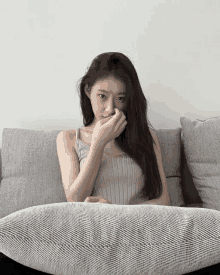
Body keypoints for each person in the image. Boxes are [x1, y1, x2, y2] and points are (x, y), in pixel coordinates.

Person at [56, 52, 163, 205]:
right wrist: (99, 142)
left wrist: (116, 213)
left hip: (138, 226)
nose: (111, 109)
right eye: (102, 96)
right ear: (88, 91)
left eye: (120, 98)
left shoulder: (146, 137)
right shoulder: (69, 138)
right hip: (94, 226)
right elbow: (75, 201)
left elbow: (164, 200)